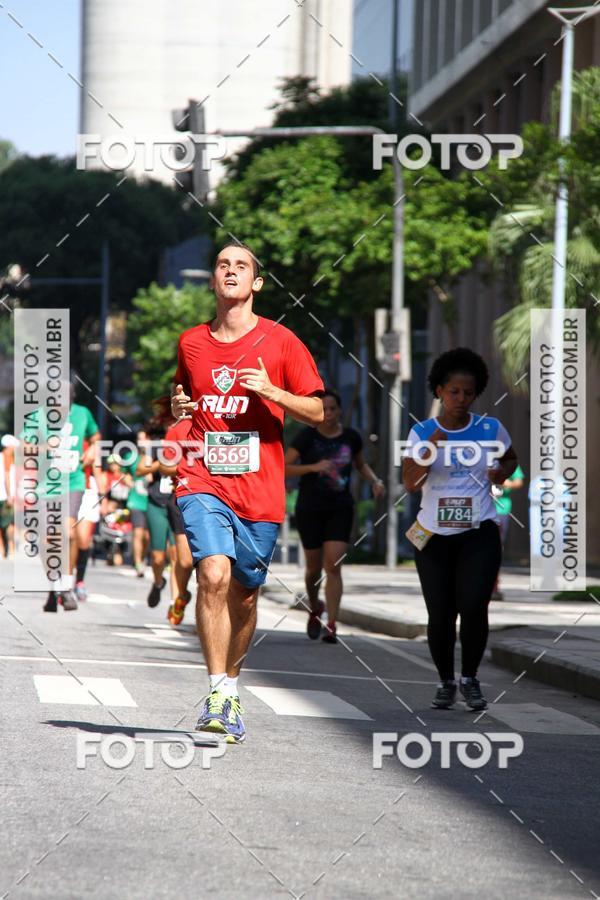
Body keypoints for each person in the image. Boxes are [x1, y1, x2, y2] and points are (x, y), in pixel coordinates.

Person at [171, 242, 324, 743]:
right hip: (203, 478)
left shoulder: (281, 343)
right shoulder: (191, 342)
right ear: (213, 281)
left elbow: (321, 413)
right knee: (212, 573)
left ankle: (232, 685)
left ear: (256, 283)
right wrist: (180, 408)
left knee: (245, 592)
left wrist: (273, 393)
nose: (230, 271)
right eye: (222, 265)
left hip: (259, 490)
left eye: (241, 266)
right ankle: (216, 690)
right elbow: (182, 400)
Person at [402, 348, 518, 711]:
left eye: (468, 393)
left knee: (474, 607)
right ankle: (445, 681)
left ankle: (469, 678)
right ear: (439, 390)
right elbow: (409, 483)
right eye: (453, 391)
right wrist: (429, 451)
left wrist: (502, 472)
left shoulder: (490, 428)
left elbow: (511, 459)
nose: (461, 399)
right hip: (433, 536)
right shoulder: (422, 431)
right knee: (440, 613)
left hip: (479, 531)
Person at [284, 389, 385, 643]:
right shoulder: (306, 436)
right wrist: (312, 467)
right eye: (324, 409)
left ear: (339, 411)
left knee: (333, 564)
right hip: (310, 507)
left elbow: (360, 464)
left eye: (332, 409)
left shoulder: (351, 437)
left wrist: (374, 480)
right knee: (313, 569)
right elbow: (283, 467)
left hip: (340, 507)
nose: (328, 414)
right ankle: (315, 605)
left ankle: (331, 623)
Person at [43, 385, 101, 612]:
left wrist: (92, 450)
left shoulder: (82, 413)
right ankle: (52, 586)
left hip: (75, 482)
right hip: (46, 485)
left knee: (68, 533)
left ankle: (66, 587)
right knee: (48, 540)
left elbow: (95, 437)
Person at [491, 464, 524, 601]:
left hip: (501, 510)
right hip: (480, 510)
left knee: (495, 549)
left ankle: (494, 586)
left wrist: (506, 483)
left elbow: (519, 481)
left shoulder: (508, 460)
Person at [125, 430, 151, 577]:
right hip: (136, 501)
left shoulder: (155, 457)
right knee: (138, 533)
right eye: (139, 439)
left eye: (144, 439)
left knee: (147, 536)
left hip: (151, 501)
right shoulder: (131, 457)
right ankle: (137, 562)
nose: (141, 442)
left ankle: (143, 557)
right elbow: (124, 472)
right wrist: (128, 481)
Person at [0, 434, 18, 557]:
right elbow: (7, 477)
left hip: (4, 495)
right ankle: (8, 550)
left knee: (5, 525)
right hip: (5, 496)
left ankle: (3, 550)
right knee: (9, 524)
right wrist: (9, 495)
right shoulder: (7, 458)